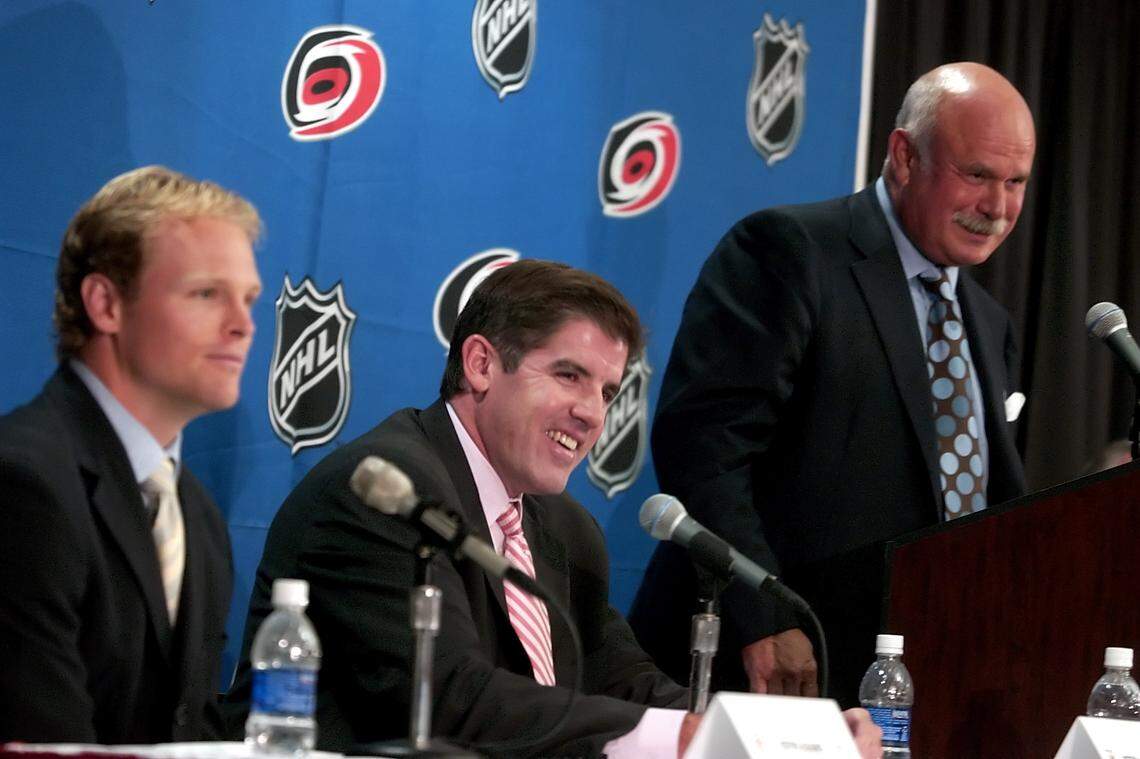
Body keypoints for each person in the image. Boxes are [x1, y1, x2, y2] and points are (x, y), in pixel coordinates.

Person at [225, 260, 881, 758]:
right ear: (482, 364)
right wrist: (679, 737)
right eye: (568, 375)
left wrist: (788, 734)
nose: (593, 413)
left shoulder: (563, 527)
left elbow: (625, 680)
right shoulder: (389, 493)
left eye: (607, 390)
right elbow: (452, 697)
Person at [629, 62, 1033, 708]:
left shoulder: (990, 324)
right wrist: (766, 613)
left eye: (1016, 182)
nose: (999, 207)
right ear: (903, 156)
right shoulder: (789, 250)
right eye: (977, 175)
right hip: (768, 671)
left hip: (911, 682)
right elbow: (703, 446)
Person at [0, 166, 263, 743]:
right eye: (206, 294)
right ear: (106, 304)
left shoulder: (198, 516)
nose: (243, 326)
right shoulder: (21, 483)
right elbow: (44, 743)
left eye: (248, 299)